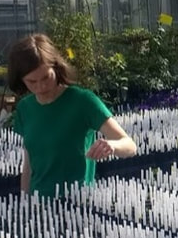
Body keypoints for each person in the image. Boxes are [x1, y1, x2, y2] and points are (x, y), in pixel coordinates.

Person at [7, 33, 137, 196]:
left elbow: (130, 146)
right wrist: (24, 201)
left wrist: (112, 146)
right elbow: (29, 163)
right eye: (32, 82)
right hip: (39, 205)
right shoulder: (25, 108)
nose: (41, 86)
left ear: (56, 67)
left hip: (78, 205)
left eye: (46, 77)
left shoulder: (83, 101)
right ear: (21, 80)